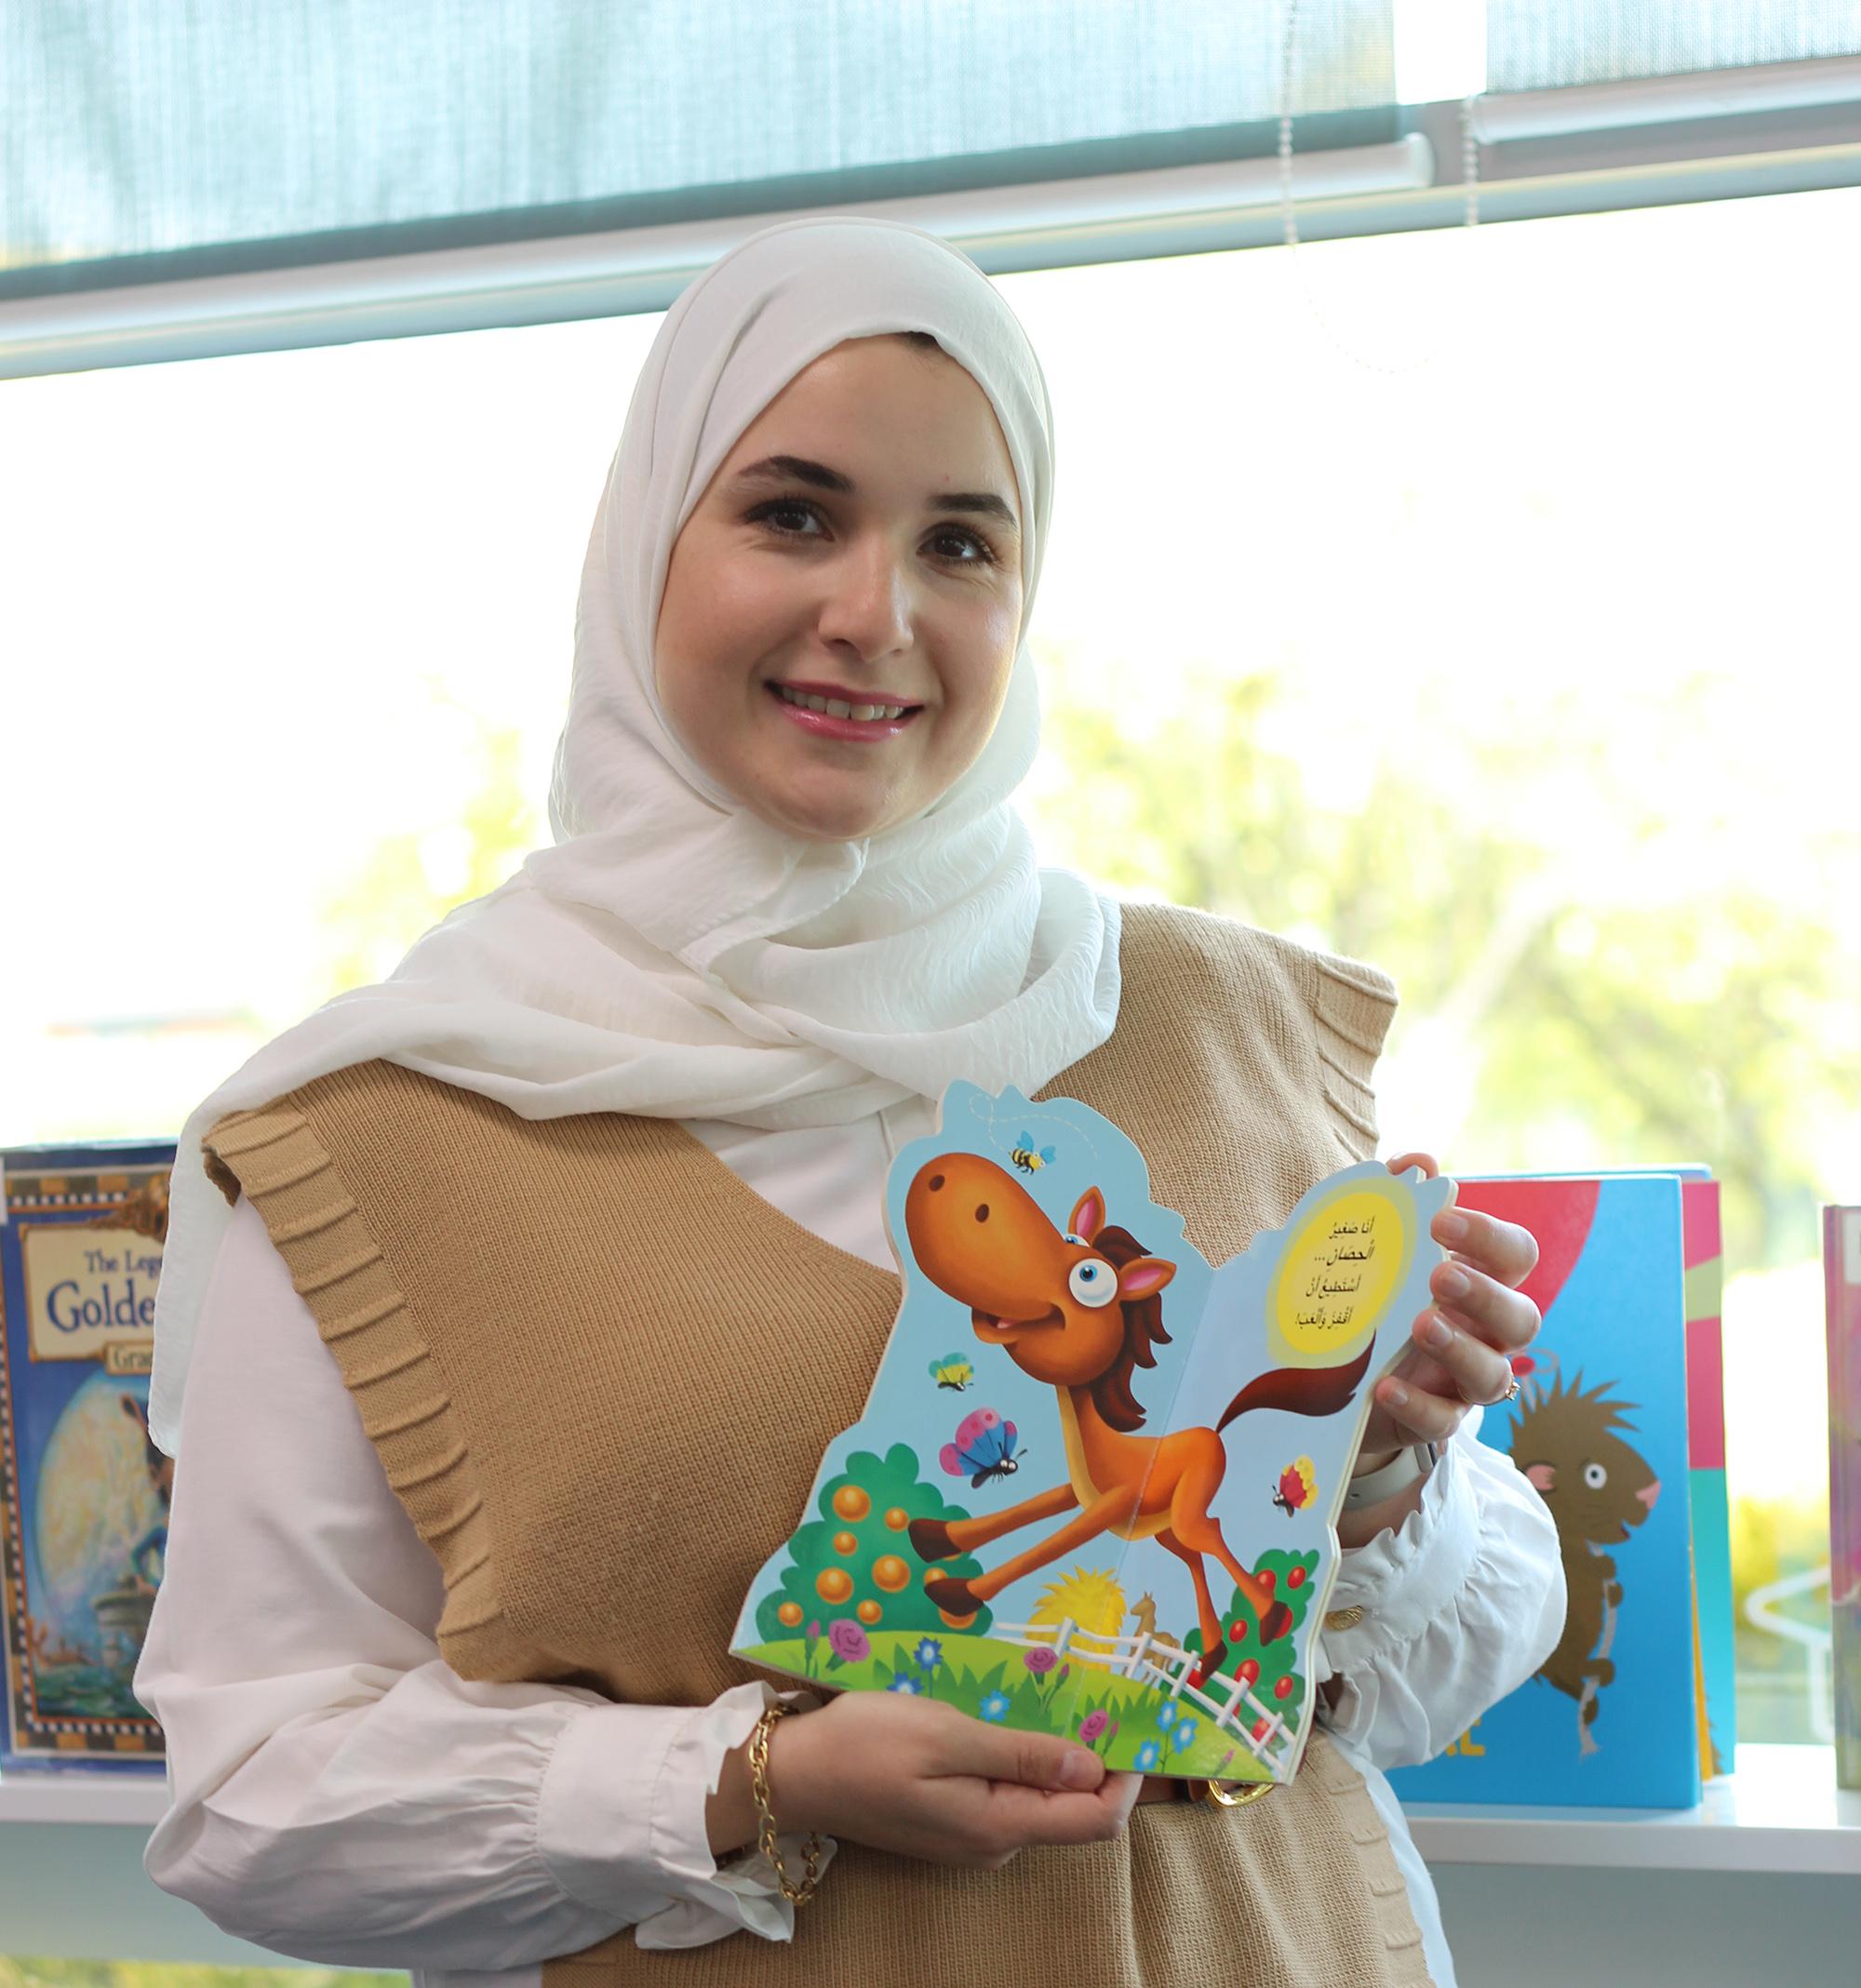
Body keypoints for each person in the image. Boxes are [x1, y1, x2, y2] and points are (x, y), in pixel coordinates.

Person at [136, 216, 1562, 1988]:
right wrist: (749, 1777)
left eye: (961, 541)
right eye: (794, 512)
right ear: (648, 538)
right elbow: (258, 1795)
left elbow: (1438, 1652)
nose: (874, 614)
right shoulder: (393, 1131)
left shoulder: (1214, 1019)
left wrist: (1383, 1473)